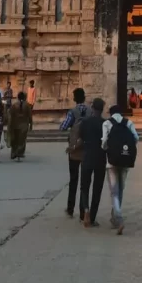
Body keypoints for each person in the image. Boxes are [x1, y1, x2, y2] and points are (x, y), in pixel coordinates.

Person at [102, 104, 139, 234]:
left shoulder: (107, 123)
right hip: (125, 160)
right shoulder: (128, 122)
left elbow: (104, 142)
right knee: (121, 189)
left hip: (111, 162)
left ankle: (118, 218)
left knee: (114, 192)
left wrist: (109, 148)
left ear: (111, 113)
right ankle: (114, 217)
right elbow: (136, 138)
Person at [64, 88, 92, 219]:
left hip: (74, 150)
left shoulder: (72, 112)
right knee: (85, 182)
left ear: (75, 98)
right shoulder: (91, 111)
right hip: (87, 149)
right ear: (84, 98)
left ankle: (70, 209)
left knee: (73, 179)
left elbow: (63, 127)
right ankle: (83, 211)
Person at [79, 98, 107, 228]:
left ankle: (85, 210)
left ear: (92, 107)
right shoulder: (105, 123)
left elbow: (81, 137)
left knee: (84, 187)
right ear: (102, 109)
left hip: (87, 155)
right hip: (100, 157)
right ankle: (92, 217)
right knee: (97, 188)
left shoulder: (85, 122)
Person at [8, 91, 32, 160]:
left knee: (15, 139)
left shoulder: (14, 105)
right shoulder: (27, 105)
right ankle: (20, 152)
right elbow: (30, 116)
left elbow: (10, 116)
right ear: (24, 98)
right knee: (22, 140)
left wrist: (9, 126)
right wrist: (31, 124)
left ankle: (14, 152)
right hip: (24, 125)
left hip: (15, 125)